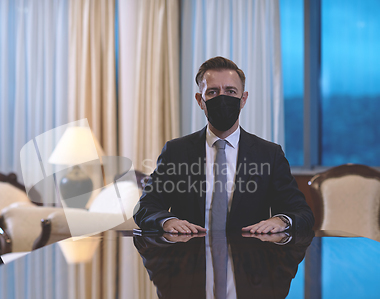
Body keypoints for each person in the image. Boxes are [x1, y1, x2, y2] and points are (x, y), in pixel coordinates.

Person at [133, 56, 314, 234]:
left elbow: (301, 212)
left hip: (251, 258)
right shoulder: (176, 152)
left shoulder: (269, 154)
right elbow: (145, 207)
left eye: (230, 91)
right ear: (199, 100)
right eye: (212, 92)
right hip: (188, 257)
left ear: (243, 99)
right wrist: (167, 221)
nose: (222, 98)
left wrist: (281, 220)